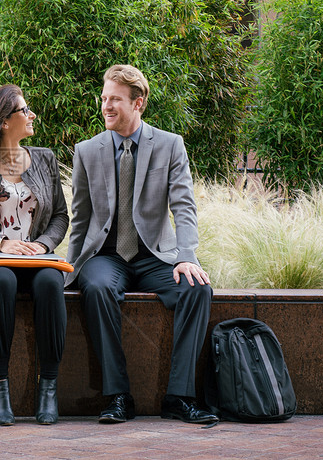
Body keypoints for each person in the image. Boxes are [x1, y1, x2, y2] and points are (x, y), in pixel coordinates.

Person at [66, 64, 218, 425]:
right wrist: (71, 271)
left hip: (154, 255)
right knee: (99, 288)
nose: (106, 106)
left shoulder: (169, 145)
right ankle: (117, 396)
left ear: (139, 103)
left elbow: (183, 205)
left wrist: (186, 256)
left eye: (115, 99)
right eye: (103, 99)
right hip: (105, 255)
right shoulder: (87, 151)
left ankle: (179, 398)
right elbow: (81, 218)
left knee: (198, 289)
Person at [0, 84, 69, 426]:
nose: (32, 115)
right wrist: (0, 242)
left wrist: (45, 244)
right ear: (5, 121)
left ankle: (48, 388)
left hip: (36, 261)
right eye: (25, 110)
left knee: (51, 282)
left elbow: (61, 215)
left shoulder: (45, 159)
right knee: (3, 281)